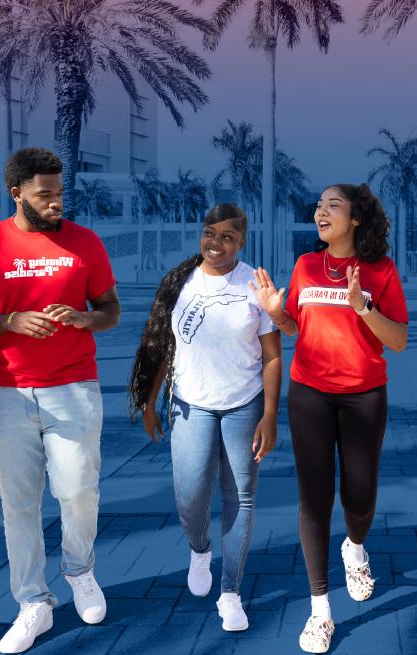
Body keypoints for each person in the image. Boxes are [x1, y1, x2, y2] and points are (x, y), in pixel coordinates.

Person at [0, 148, 122, 654]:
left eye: (59, 193)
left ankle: (80, 571)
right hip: (7, 393)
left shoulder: (85, 243)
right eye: (44, 194)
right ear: (17, 192)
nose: (55, 202)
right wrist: (8, 322)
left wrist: (82, 318)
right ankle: (33, 602)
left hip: (74, 388)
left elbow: (110, 310)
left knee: (78, 492)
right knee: (19, 506)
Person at [251, 183, 408, 654]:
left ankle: (354, 548)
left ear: (356, 218)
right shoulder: (304, 265)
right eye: (318, 205)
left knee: (359, 498)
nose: (320, 212)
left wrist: (362, 305)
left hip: (364, 397)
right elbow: (296, 326)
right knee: (313, 501)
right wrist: (277, 315)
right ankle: (321, 610)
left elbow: (398, 340)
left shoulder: (380, 269)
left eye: (332, 205)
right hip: (310, 395)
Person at [127, 204, 282, 633]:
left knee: (241, 497)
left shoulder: (255, 284)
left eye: (227, 237)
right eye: (209, 233)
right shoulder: (181, 282)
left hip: (243, 404)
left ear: (242, 242)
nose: (216, 243)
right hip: (191, 404)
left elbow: (271, 354)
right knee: (190, 495)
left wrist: (270, 414)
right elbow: (162, 346)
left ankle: (230, 592)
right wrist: (149, 401)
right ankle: (200, 550)